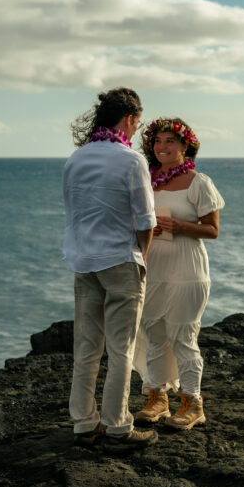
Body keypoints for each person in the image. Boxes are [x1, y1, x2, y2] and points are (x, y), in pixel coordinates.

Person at [62, 87, 158, 452]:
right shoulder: (131, 160)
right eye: (137, 122)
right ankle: (117, 427)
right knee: (121, 349)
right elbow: (146, 220)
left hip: (83, 262)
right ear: (130, 119)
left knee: (86, 348)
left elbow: (73, 212)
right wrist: (142, 255)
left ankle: (84, 425)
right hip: (120, 260)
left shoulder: (76, 158)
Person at [131, 117, 224, 430]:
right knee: (154, 332)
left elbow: (212, 230)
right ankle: (157, 399)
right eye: (157, 142)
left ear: (186, 145)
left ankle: (192, 403)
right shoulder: (148, 180)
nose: (162, 147)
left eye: (170, 141)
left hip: (188, 267)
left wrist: (180, 226)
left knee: (184, 336)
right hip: (153, 264)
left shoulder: (200, 182)